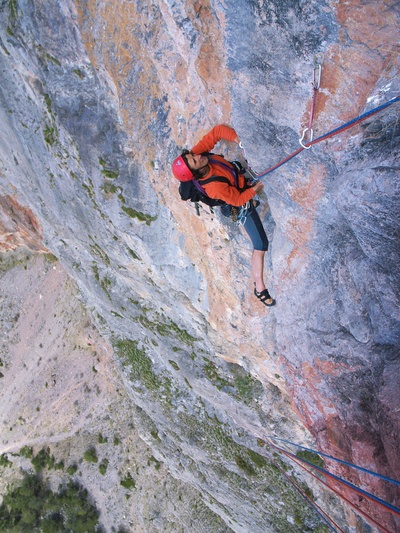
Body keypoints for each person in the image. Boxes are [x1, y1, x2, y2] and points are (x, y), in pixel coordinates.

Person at [172, 124, 275, 307]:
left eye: (193, 155)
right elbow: (237, 200)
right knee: (260, 244)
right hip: (238, 201)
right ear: (196, 174)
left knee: (260, 242)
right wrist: (255, 189)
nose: (198, 155)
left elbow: (218, 131)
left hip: (237, 179)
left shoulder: (198, 156)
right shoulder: (213, 188)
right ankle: (259, 288)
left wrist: (240, 141)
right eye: (195, 160)